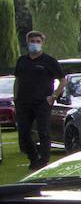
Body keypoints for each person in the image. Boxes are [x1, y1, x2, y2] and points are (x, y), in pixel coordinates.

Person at [12, 31, 65, 171]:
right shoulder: (22, 61)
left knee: (44, 132)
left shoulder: (49, 61)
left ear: (42, 43)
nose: (34, 44)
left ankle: (44, 161)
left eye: (37, 41)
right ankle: (33, 156)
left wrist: (53, 96)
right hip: (23, 102)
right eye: (32, 41)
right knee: (24, 133)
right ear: (27, 43)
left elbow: (63, 80)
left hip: (42, 102)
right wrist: (15, 97)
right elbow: (17, 80)